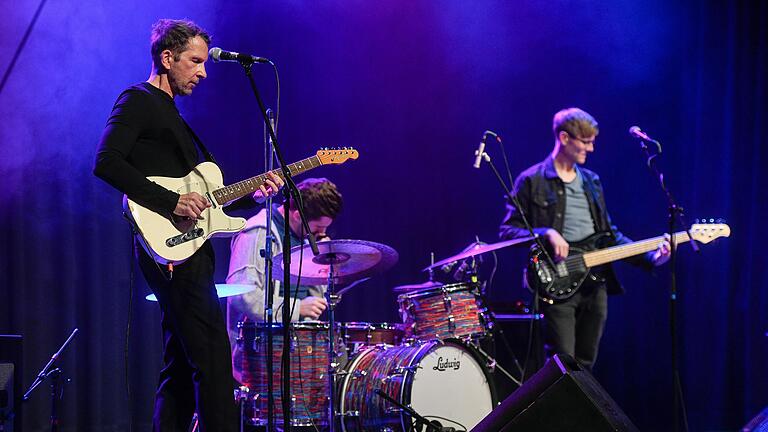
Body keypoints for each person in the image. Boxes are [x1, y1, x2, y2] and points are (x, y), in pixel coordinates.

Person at [93, 19, 282, 431]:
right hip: (171, 247)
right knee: (213, 356)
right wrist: (172, 201)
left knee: (179, 364)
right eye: (195, 62)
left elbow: (204, 197)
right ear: (167, 58)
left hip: (191, 243)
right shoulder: (138, 99)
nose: (203, 72)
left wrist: (253, 195)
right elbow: (107, 162)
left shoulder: (173, 114)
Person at [499, 107, 670, 370]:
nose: (590, 149)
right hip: (557, 281)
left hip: (595, 281)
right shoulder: (532, 180)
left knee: (586, 365)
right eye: (586, 142)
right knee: (562, 365)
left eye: (592, 142)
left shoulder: (592, 182)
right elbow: (508, 231)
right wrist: (547, 233)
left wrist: (652, 257)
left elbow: (609, 235)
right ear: (565, 138)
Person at [226, 177, 343, 380]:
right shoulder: (257, 232)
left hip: (299, 348)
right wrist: (298, 308)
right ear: (297, 215)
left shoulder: (306, 237)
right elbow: (243, 296)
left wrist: (323, 260)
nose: (322, 234)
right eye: (317, 228)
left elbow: (316, 297)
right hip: (259, 353)